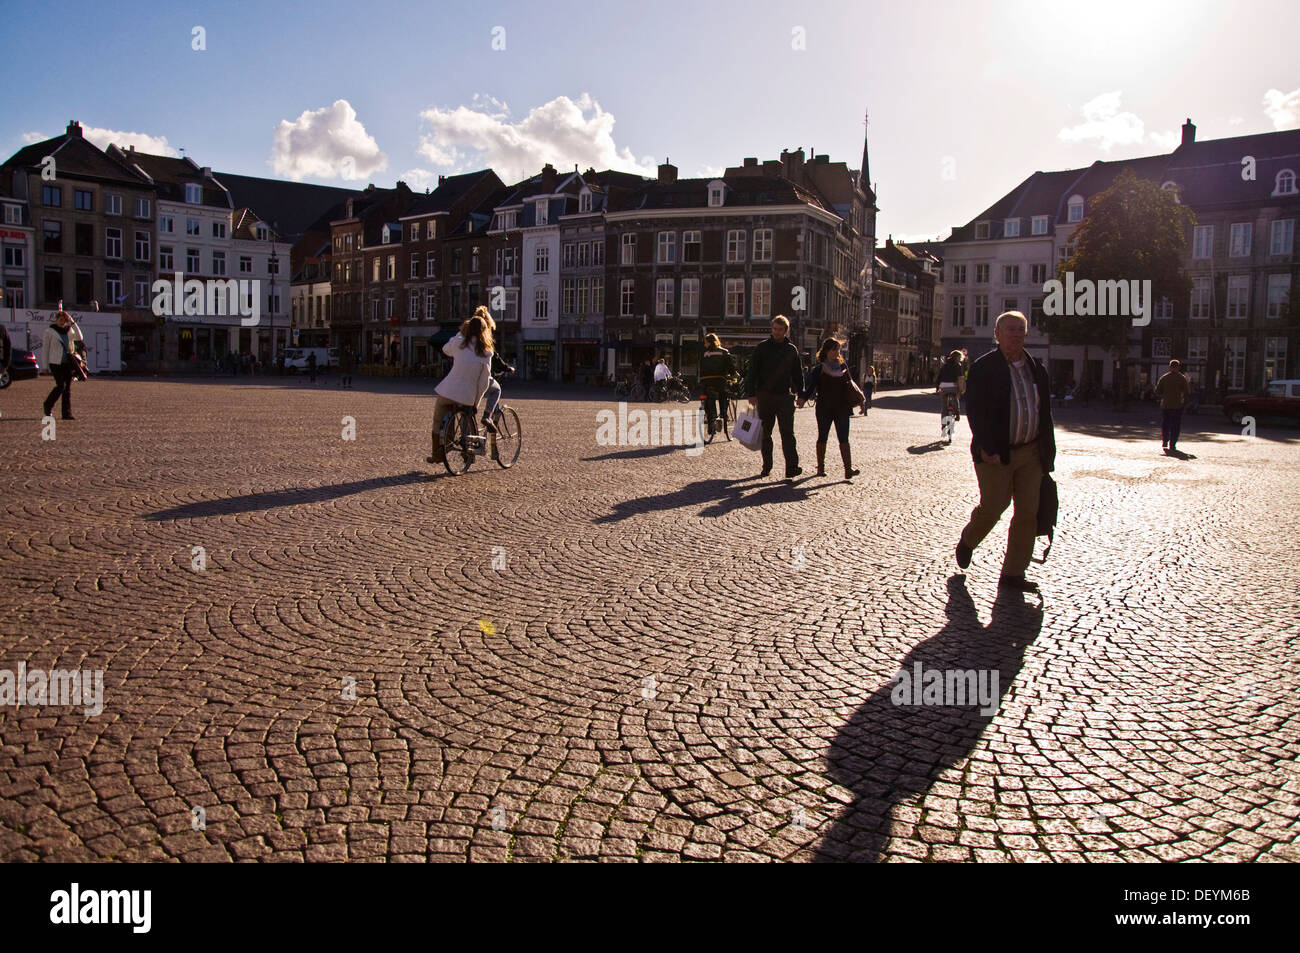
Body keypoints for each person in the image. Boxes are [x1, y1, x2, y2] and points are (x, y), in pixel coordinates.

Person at [955, 311, 1056, 593]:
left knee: (1028, 513)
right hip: (995, 453)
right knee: (994, 506)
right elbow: (976, 411)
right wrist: (986, 447)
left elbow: (1044, 412)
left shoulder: (1037, 368)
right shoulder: (984, 368)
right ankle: (968, 540)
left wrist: (1047, 451)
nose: (1016, 335)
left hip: (1031, 452)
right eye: (1010, 330)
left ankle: (1013, 573)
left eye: (1020, 330)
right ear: (997, 334)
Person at [428, 315, 493, 465]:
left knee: (437, 420)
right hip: (467, 396)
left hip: (448, 391)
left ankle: (437, 453)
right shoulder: (487, 353)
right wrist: (476, 402)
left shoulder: (460, 343)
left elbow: (445, 349)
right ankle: (468, 452)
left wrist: (460, 334)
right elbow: (483, 382)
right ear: (484, 331)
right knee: (467, 419)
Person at [744, 315, 803, 479]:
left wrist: (801, 394)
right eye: (774, 329)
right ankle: (767, 465)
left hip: (785, 396)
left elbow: (798, 374)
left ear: (786, 331)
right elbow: (752, 372)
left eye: (779, 330)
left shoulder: (791, 350)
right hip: (765, 396)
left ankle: (791, 467)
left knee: (788, 433)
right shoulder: (762, 348)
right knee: (766, 433)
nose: (776, 332)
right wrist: (751, 394)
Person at [798, 337, 861, 478]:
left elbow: (851, 385)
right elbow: (811, 387)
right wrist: (803, 398)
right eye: (834, 350)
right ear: (826, 351)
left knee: (844, 438)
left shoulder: (843, 366)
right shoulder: (819, 369)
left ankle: (848, 469)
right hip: (824, 408)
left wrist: (860, 400)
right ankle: (820, 468)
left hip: (842, 408)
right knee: (823, 437)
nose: (836, 352)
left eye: (838, 350)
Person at [470, 306, 515, 433]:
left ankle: (466, 436)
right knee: (496, 390)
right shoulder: (484, 338)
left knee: (467, 408)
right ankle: (487, 416)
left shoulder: (466, 337)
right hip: (479, 377)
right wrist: (507, 368)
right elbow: (494, 357)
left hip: (464, 377)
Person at [42, 310, 83, 420]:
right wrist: (44, 366)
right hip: (55, 362)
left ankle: (66, 413)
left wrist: (73, 323)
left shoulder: (69, 330)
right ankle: (48, 405)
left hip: (68, 363)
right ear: (56, 319)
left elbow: (80, 337)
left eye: (64, 320)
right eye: (60, 320)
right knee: (61, 386)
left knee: (67, 388)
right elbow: (45, 349)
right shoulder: (50, 331)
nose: (62, 322)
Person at [699, 333, 736, 432]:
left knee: (707, 397)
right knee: (723, 394)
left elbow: (701, 366)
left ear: (709, 342)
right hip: (719, 379)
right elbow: (731, 367)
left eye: (705, 342)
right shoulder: (724, 352)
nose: (704, 345)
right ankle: (723, 413)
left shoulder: (704, 353)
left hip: (705, 380)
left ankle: (711, 422)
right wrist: (734, 375)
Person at [1155, 358, 1190, 454]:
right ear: (1178, 367)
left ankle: (1165, 440)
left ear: (1170, 367)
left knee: (1166, 424)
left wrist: (1164, 394)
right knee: (1175, 425)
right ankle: (1173, 443)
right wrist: (1185, 403)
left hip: (1166, 404)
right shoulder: (1182, 378)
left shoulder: (1164, 377)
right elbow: (1186, 392)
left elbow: (1158, 391)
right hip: (1177, 405)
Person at [936, 350, 965, 421]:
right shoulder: (957, 365)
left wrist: (937, 387)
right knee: (956, 399)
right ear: (958, 357)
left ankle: (943, 424)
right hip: (953, 386)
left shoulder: (944, 365)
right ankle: (957, 412)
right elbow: (960, 378)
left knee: (944, 407)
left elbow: (939, 377)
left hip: (943, 386)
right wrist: (961, 390)